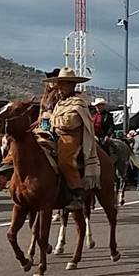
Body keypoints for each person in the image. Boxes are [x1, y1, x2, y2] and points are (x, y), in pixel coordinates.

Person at [40, 67, 97, 210]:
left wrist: (51, 118)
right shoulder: (59, 102)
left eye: (63, 84)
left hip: (71, 137)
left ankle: (76, 194)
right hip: (55, 134)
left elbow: (69, 122)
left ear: (72, 85)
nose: (60, 87)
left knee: (65, 161)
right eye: (59, 84)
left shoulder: (78, 102)